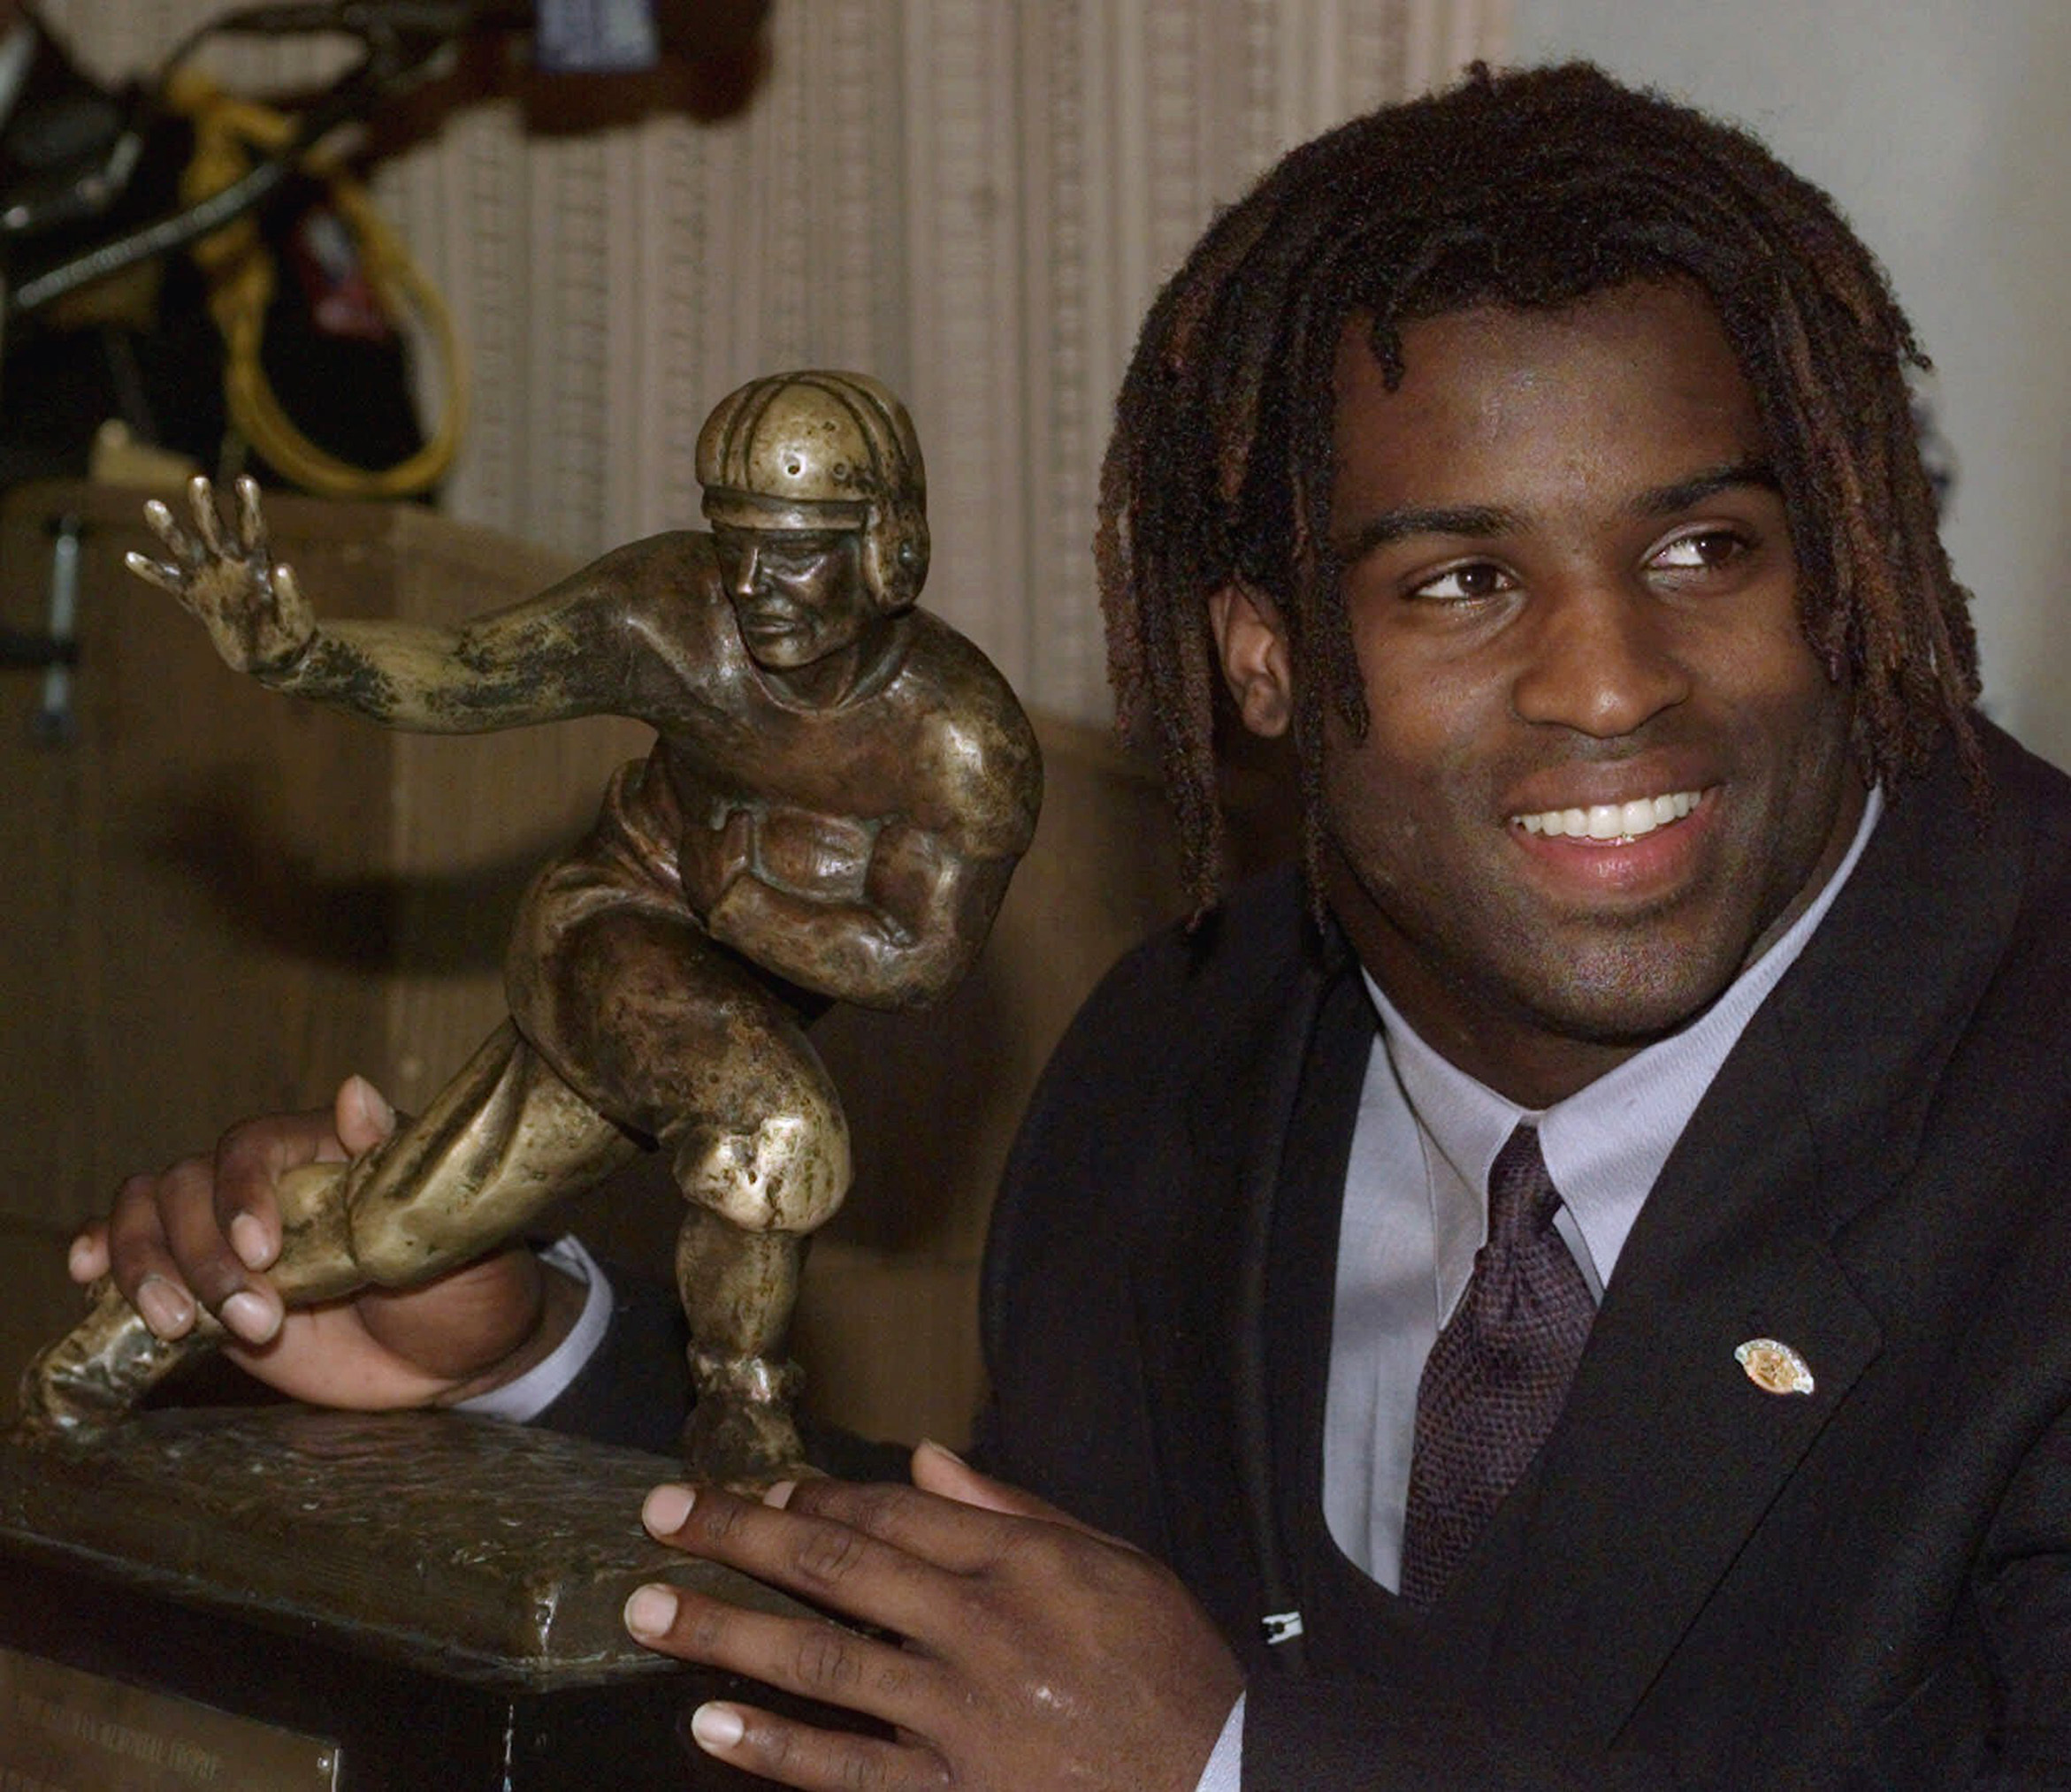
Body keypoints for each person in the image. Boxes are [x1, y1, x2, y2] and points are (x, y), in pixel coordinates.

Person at [58, 62, 2071, 1788]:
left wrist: (1231, 1774)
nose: (1611, 679)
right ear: (1265, 664)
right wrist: (515, 1359)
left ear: (1853, 573)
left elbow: (1158, 1730)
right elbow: (1027, 1663)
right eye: (1458, 581)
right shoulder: (1171, 1063)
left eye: (1703, 546)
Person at [27, 369, 1040, 1482]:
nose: (752, 584)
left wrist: (744, 902)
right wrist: (308, 656)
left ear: (888, 549)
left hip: (714, 987)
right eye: (732, 541)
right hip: (610, 924)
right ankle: (741, 1412)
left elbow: (915, 960)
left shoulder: (958, 742)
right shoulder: (666, 614)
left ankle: (137, 1320)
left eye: (795, 549)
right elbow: (472, 671)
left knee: (412, 1227)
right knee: (780, 1123)